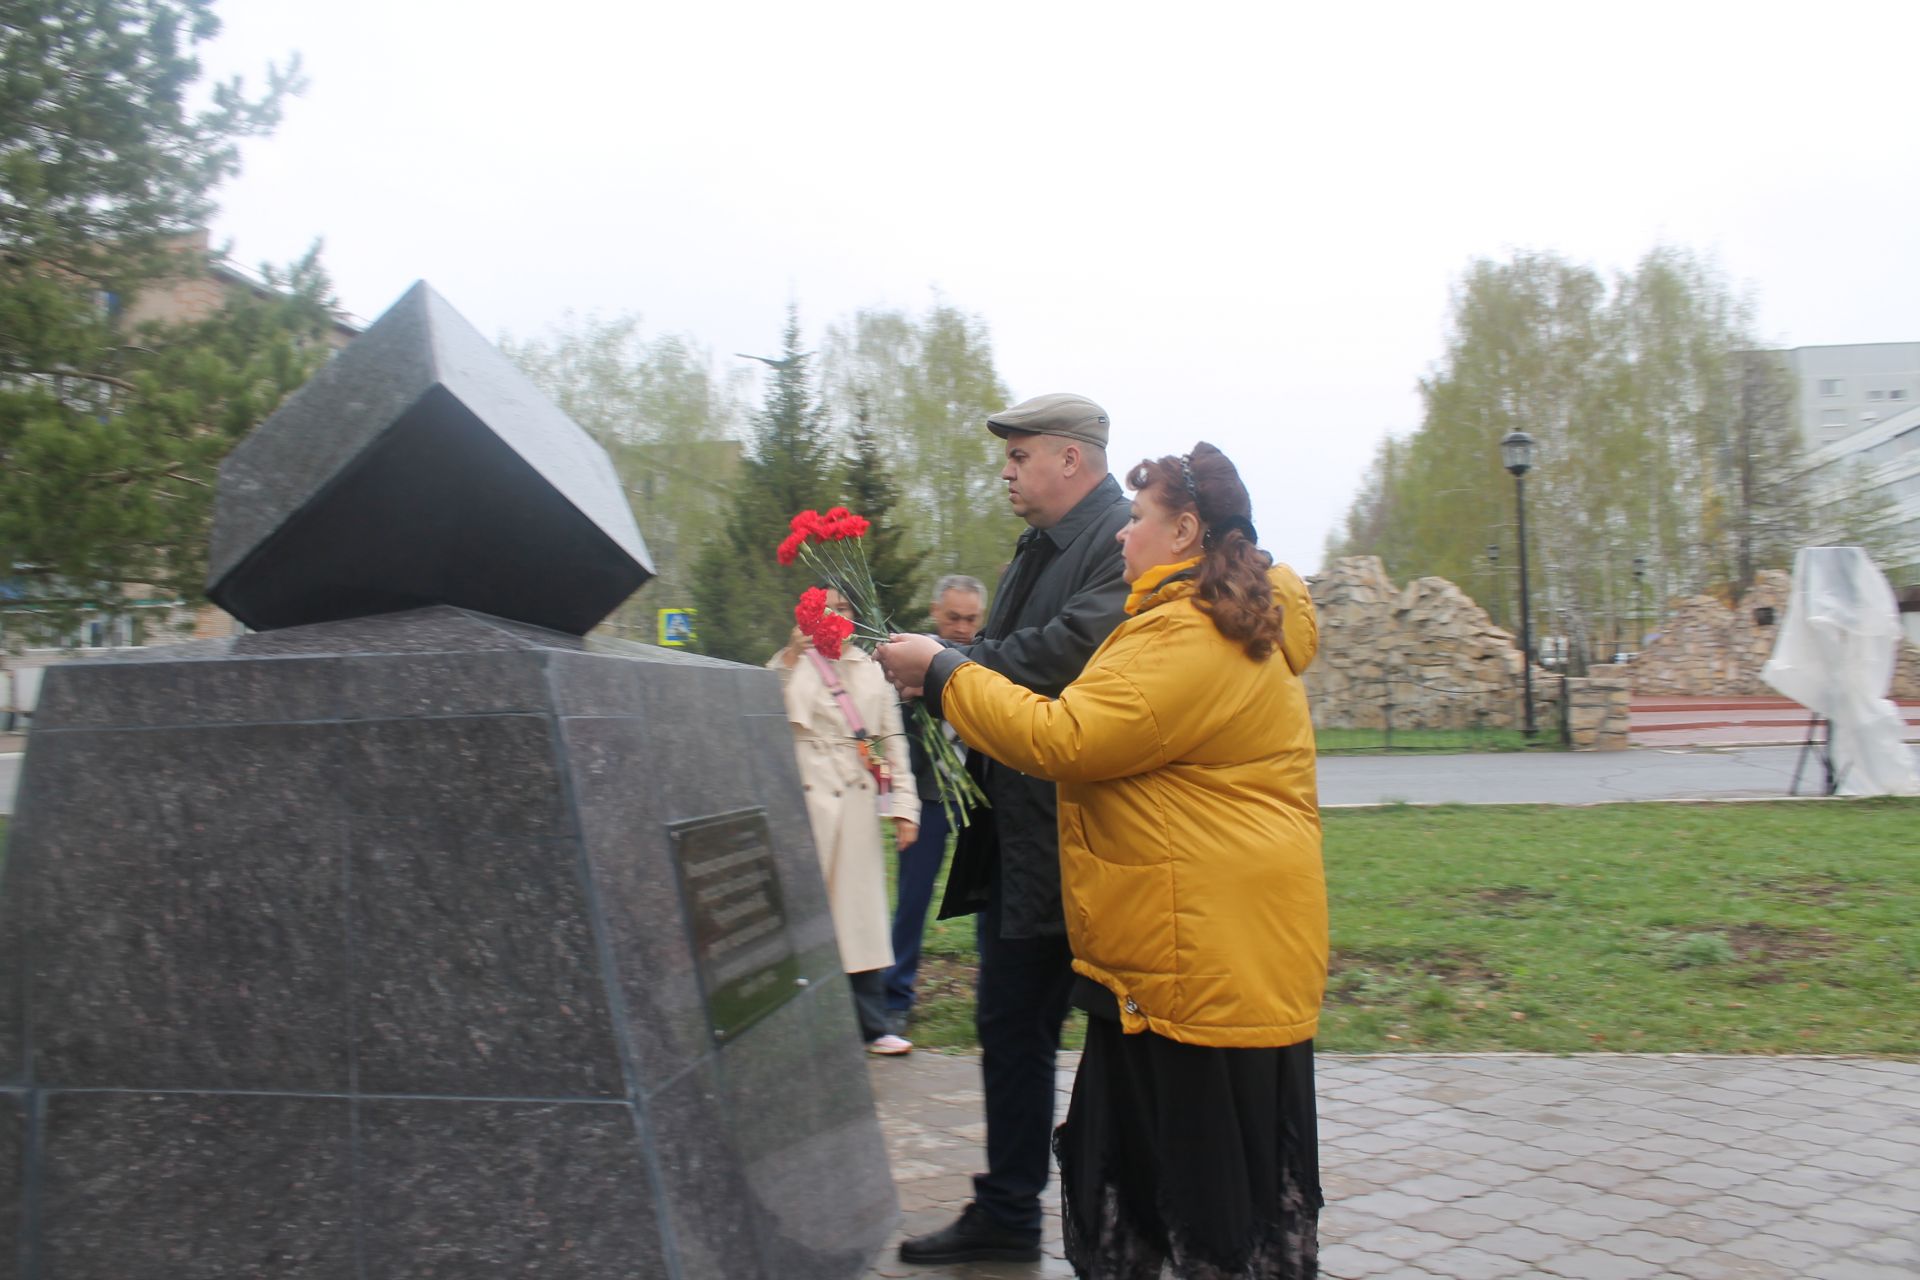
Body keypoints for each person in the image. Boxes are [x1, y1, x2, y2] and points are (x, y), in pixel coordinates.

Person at [878, 442, 1326, 1279]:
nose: (1122, 538)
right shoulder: (1209, 619)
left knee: (1202, 1210)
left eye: (1138, 521)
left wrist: (943, 672)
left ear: (1185, 530)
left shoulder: (1188, 636)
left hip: (1199, 967)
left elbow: (1066, 737)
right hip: (1192, 957)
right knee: (1172, 1188)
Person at [875, 392, 1132, 1264]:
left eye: (1019, 457)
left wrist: (946, 668)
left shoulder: (1121, 542)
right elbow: (1012, 661)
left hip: (1090, 842)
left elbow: (1065, 657)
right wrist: (951, 674)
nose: (1006, 472)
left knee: (1111, 1043)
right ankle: (1012, 1210)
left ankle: (1124, 1216)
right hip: (1028, 839)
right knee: (1008, 1026)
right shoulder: (1040, 545)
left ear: (1070, 458)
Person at [769, 588, 921, 1055]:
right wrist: (796, 654)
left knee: (859, 915)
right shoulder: (788, 663)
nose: (836, 617)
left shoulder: (872, 667)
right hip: (805, 796)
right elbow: (768, 712)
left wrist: (904, 807)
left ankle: (872, 1025)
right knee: (805, 912)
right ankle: (800, 1020)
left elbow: (893, 740)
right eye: (826, 609)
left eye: (844, 609)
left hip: (855, 797)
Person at [884, 573, 989, 1034]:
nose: (962, 628)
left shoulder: (992, 656)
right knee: (912, 897)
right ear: (935, 612)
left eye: (970, 619)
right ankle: (895, 996)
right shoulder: (910, 656)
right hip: (928, 798)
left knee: (990, 897)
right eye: (953, 617)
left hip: (981, 797)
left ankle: (995, 993)